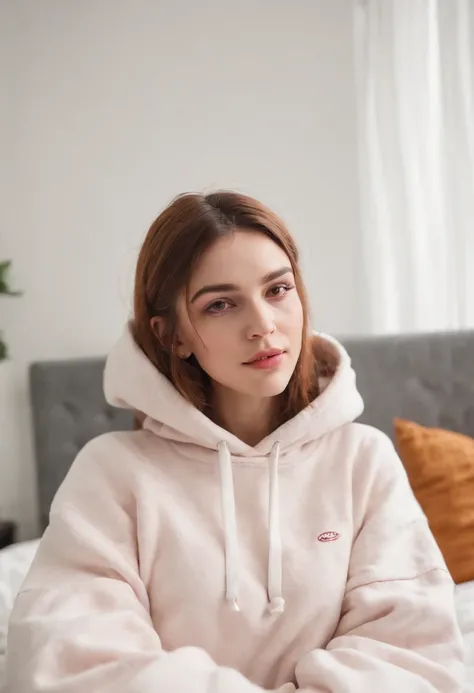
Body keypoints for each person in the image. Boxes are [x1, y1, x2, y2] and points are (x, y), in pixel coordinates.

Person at [7, 192, 463, 692]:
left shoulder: (362, 460)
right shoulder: (113, 473)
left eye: (277, 289)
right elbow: (70, 656)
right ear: (172, 335)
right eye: (221, 304)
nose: (263, 325)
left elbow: (410, 654)